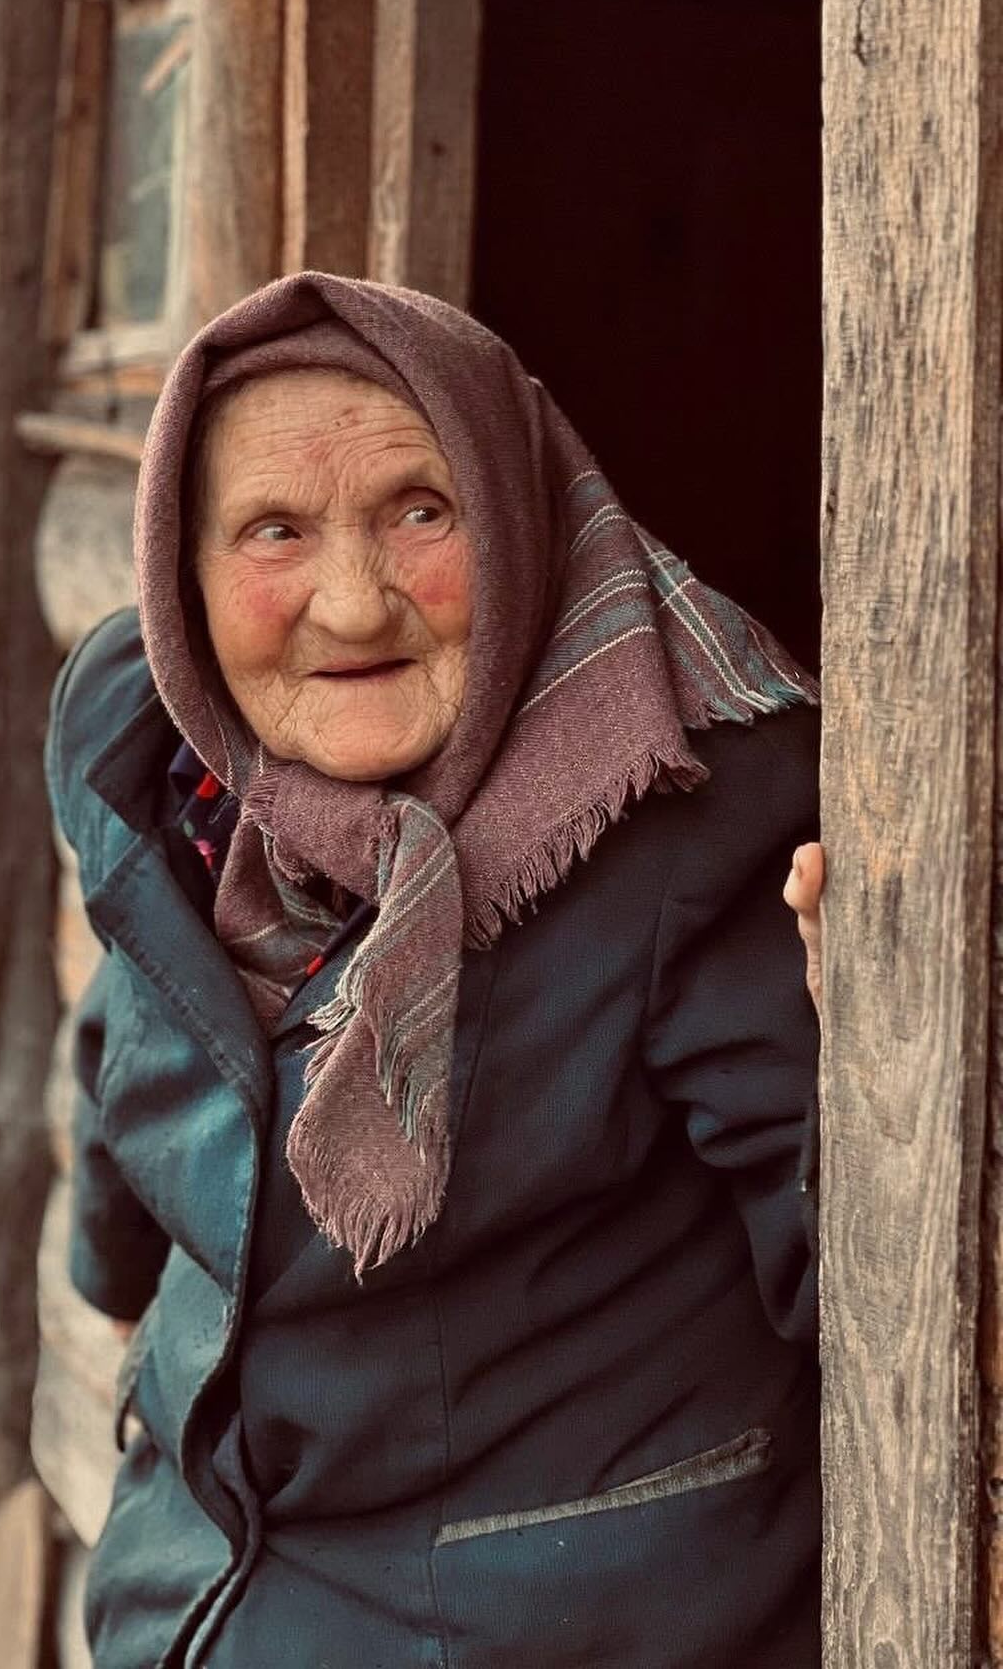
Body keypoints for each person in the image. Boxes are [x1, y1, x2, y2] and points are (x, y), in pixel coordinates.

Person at [44, 271, 828, 1668]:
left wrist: (887, 1046)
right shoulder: (180, 800)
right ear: (183, 572)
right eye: (274, 531)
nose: (351, 606)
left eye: (421, 510)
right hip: (187, 1602)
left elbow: (880, 1272)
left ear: (516, 514)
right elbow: (137, 1059)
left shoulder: (681, 813)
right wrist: (106, 1286)